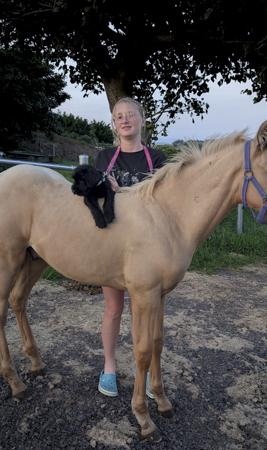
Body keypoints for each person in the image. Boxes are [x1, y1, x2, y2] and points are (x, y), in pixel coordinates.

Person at [93, 97, 167, 397]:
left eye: (131, 115)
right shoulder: (104, 157)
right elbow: (94, 198)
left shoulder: (157, 159)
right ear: (114, 124)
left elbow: (161, 202)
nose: (125, 120)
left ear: (142, 120)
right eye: (119, 116)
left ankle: (142, 370)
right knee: (113, 309)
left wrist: (121, 191)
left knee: (141, 312)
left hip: (146, 249)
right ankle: (109, 367)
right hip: (112, 247)